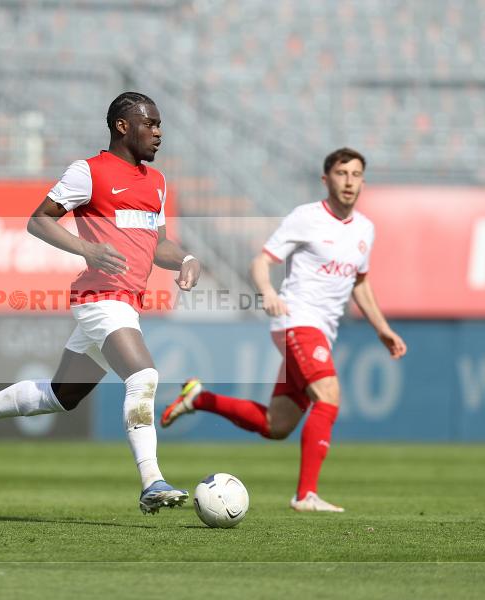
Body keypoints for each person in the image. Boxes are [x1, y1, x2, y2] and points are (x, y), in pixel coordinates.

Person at [0, 92, 201, 514]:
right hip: (99, 297)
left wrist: (185, 258)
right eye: (150, 123)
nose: (159, 133)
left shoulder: (157, 182)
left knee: (60, 395)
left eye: (160, 124)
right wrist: (87, 250)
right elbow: (38, 220)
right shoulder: (89, 173)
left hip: (127, 301)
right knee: (144, 375)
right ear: (122, 126)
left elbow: (158, 243)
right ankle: (152, 481)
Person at [161, 147, 407, 513]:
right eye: (342, 174)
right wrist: (269, 292)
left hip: (322, 329)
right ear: (326, 180)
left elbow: (361, 283)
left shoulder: (365, 230)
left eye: (356, 174)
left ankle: (199, 398)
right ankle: (306, 495)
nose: (349, 181)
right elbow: (260, 261)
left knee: (278, 424)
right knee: (329, 394)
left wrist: (382, 329)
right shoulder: (305, 218)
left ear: (363, 181)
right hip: (296, 320)